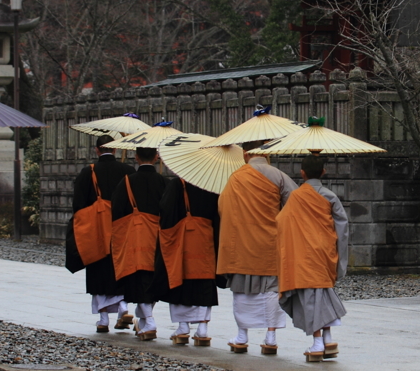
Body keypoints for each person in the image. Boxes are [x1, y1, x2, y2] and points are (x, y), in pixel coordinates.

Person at [216, 140, 297, 354]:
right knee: (271, 290)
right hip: (270, 242)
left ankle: (242, 336)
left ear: (245, 154)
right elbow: (294, 205)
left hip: (242, 243)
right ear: (266, 152)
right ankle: (271, 337)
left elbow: (223, 208)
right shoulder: (279, 176)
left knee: (242, 290)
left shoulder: (235, 178)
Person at [277, 155, 349, 362]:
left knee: (311, 297)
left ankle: (317, 344)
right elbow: (342, 230)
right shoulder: (330, 196)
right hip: (325, 252)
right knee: (323, 294)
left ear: (302, 173)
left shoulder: (296, 197)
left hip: (304, 253)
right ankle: (327, 339)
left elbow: (282, 223)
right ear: (324, 172)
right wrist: (340, 261)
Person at [70, 135, 135, 333]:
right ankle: (123, 305)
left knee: (98, 269)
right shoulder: (128, 171)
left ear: (97, 150)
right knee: (120, 266)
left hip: (96, 230)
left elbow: (78, 206)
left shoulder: (87, 173)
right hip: (121, 229)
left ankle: (103, 319)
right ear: (115, 150)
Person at [152, 177, 220, 346]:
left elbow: (166, 209)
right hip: (206, 237)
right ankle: (202, 329)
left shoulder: (178, 183)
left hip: (183, 239)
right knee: (204, 280)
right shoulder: (212, 182)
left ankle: (183, 328)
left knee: (180, 278)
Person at [111, 147, 167, 341]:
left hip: (135, 236)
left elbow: (116, 210)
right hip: (158, 236)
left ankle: (149, 321)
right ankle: (144, 319)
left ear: (136, 157)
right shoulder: (163, 182)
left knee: (138, 277)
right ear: (156, 157)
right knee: (153, 276)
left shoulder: (127, 181)